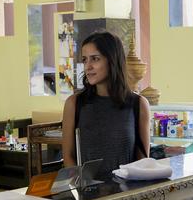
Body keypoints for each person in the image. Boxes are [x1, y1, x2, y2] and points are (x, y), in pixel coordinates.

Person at [62, 31, 151, 180]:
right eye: (85, 60)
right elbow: (68, 157)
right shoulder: (75, 103)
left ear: (112, 60)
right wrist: (84, 186)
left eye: (95, 59)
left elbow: (142, 161)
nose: (88, 66)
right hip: (89, 195)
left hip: (127, 195)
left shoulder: (138, 104)